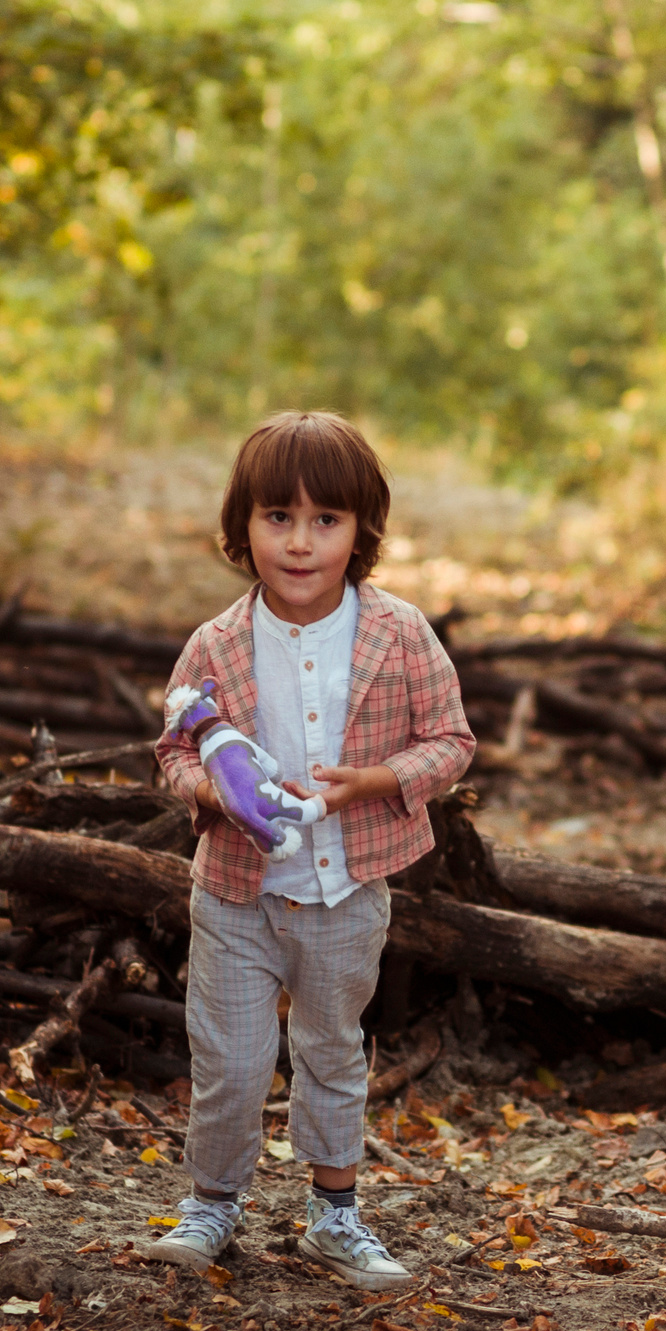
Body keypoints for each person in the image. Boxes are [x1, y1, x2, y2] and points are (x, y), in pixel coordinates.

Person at [145, 410, 475, 1286]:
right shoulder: (215, 644)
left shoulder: (397, 635)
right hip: (235, 893)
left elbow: (451, 742)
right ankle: (213, 1205)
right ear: (241, 526)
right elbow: (176, 746)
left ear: (362, 530)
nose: (299, 543)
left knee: (332, 1048)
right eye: (276, 518)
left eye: (325, 521)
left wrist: (374, 781)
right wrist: (208, 789)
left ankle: (335, 1216)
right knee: (231, 1058)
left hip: (346, 888)